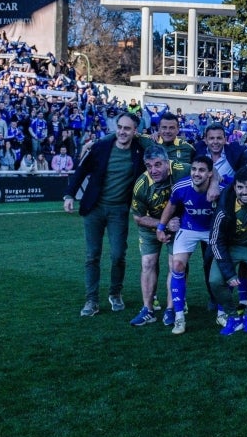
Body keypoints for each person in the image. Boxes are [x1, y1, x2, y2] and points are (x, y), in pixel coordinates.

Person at [63, 111, 146, 317]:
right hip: (94, 208)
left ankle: (115, 293)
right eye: (120, 127)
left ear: (135, 131)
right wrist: (69, 195)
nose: (122, 132)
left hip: (119, 210)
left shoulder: (140, 151)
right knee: (92, 255)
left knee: (118, 255)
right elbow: (82, 170)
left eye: (127, 128)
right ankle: (91, 300)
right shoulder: (101, 147)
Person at [126, 145, 188, 327]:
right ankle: (147, 309)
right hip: (151, 225)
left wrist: (214, 184)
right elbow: (138, 218)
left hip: (176, 225)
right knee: (147, 263)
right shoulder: (141, 185)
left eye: (158, 164)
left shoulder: (183, 169)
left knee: (174, 265)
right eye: (149, 166)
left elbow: (209, 171)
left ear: (167, 163)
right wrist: (163, 225)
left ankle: (171, 309)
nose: (153, 170)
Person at [156, 155, 217, 335]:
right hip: (188, 228)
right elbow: (171, 206)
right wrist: (161, 227)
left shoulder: (220, 188)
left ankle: (223, 312)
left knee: (221, 268)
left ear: (210, 174)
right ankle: (179, 316)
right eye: (194, 169)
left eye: (201, 170)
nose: (196, 173)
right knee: (177, 265)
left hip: (212, 230)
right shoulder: (181, 186)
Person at [209, 167, 247, 334]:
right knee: (215, 280)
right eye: (240, 187)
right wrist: (229, 273)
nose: (244, 192)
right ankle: (233, 316)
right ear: (234, 187)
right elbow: (215, 240)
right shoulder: (225, 205)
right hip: (230, 247)